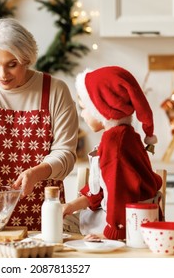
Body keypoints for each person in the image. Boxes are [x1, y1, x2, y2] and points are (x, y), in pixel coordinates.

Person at [0, 18, 78, 231]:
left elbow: (66, 153)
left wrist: (37, 173)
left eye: (12, 65)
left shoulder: (55, 91)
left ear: (26, 59)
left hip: (44, 206)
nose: (3, 75)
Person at [62, 66, 163, 240]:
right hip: (124, 219)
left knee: (61, 227)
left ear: (101, 109)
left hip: (130, 226)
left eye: (84, 108)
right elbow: (103, 187)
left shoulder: (115, 143)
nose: (82, 115)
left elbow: (119, 194)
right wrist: (72, 205)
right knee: (65, 219)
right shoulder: (123, 135)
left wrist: (109, 235)